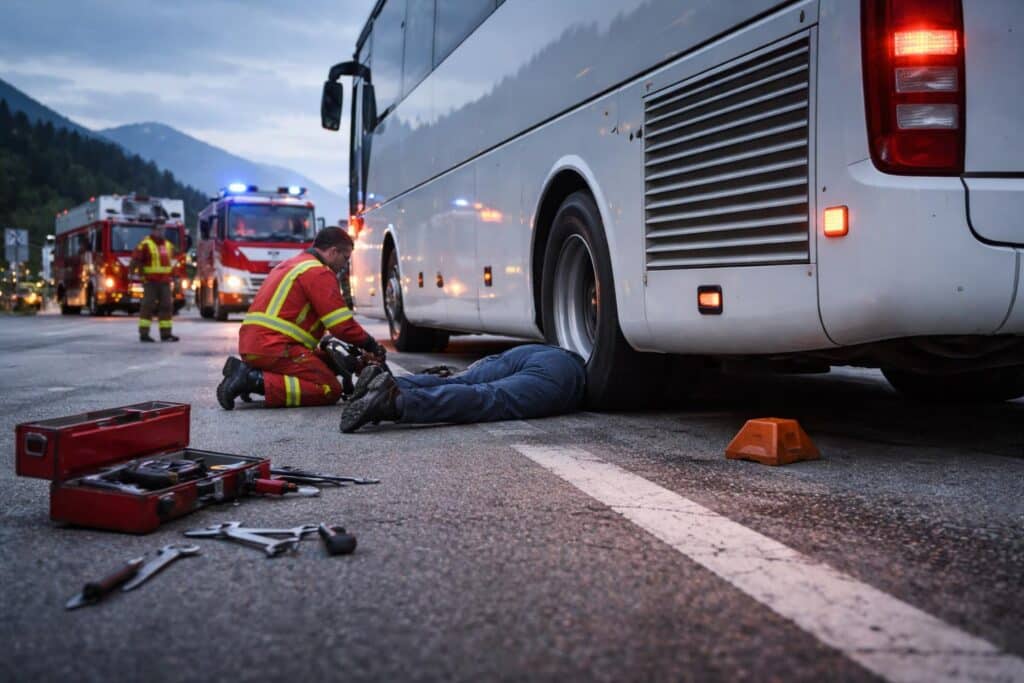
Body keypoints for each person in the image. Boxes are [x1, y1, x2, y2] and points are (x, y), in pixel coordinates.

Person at [217, 226, 385, 410]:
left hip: (259, 344)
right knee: (329, 388)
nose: (345, 266)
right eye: (345, 258)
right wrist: (370, 344)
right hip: (275, 346)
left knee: (324, 363)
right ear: (333, 251)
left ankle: (253, 373)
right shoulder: (319, 273)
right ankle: (253, 380)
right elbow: (341, 325)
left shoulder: (292, 264)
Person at [339, 344, 586, 433]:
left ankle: (389, 383)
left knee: (457, 381)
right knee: (489, 397)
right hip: (563, 370)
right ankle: (394, 402)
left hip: (532, 350)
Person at [130, 213, 179, 343]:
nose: (162, 231)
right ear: (153, 230)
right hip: (150, 282)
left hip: (165, 282)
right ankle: (144, 334)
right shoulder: (145, 244)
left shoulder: (168, 245)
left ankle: (166, 334)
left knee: (167, 307)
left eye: (163, 229)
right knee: (147, 306)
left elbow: (173, 263)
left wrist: (176, 277)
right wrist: (134, 274)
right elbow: (135, 260)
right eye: (159, 229)